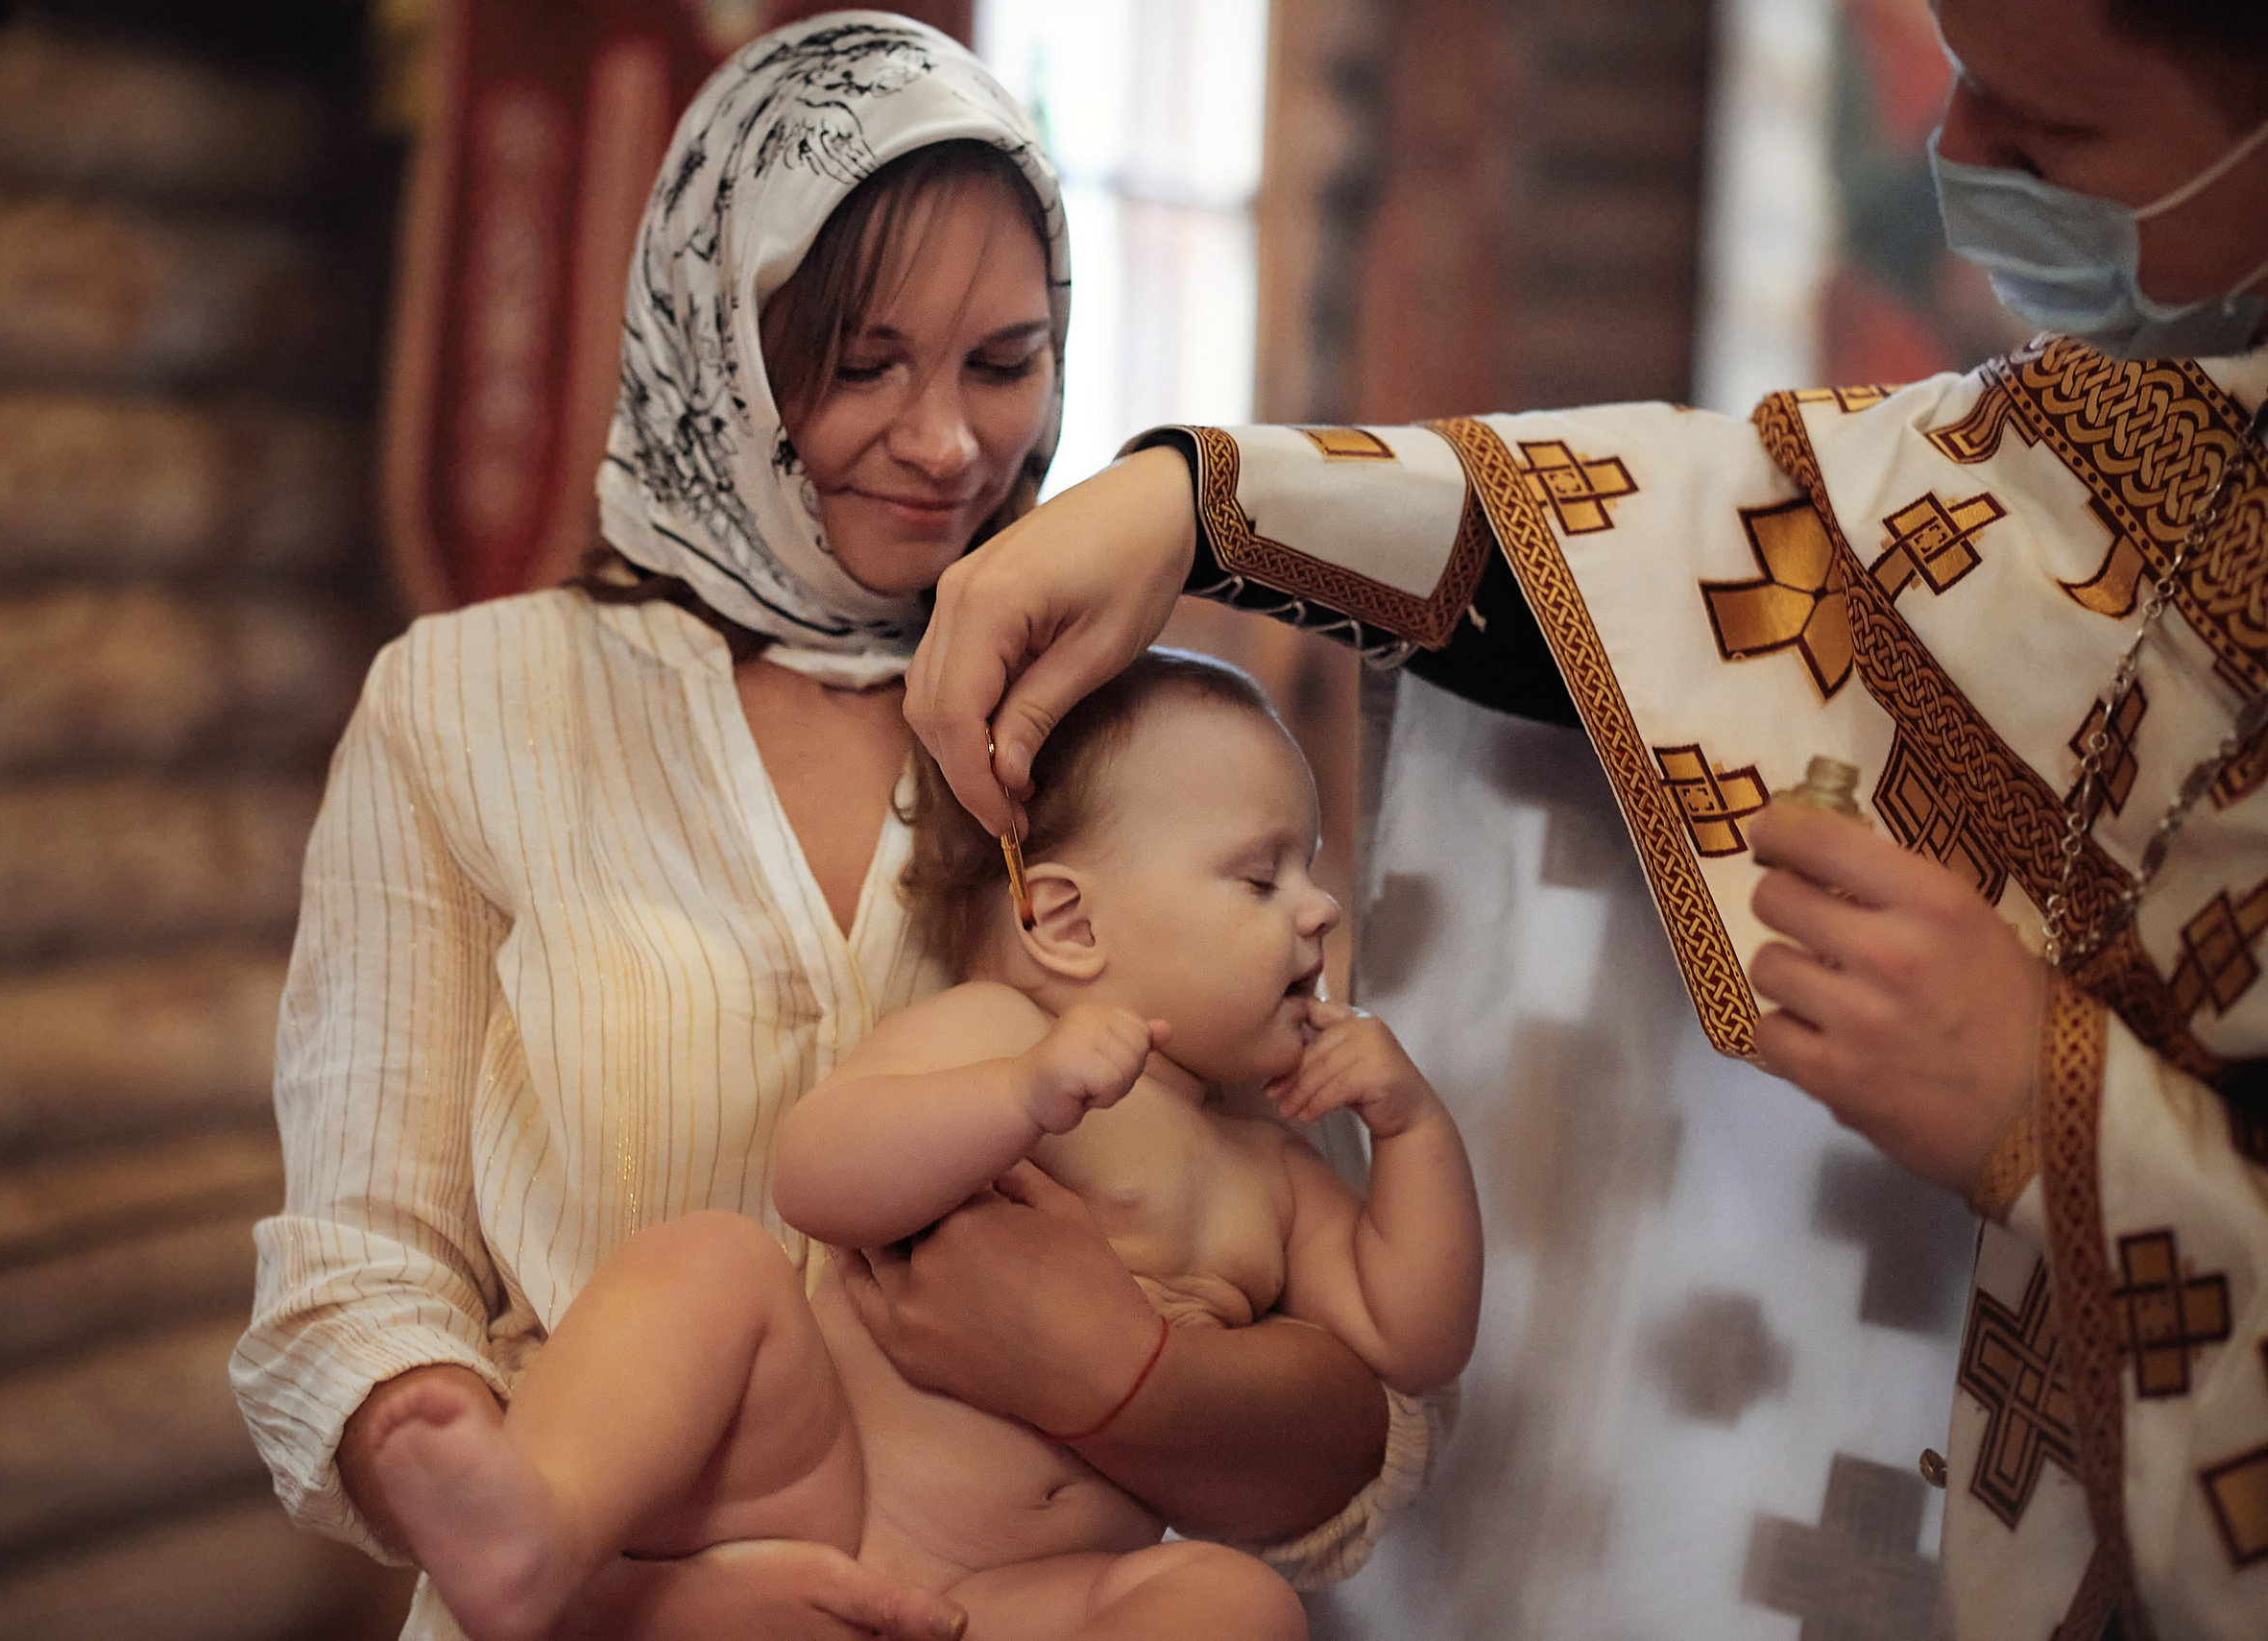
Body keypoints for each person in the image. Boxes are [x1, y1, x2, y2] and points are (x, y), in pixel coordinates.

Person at [899, 1, 2268, 1636]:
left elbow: (1401, 1328)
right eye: (1958, 72)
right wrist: (1199, 506)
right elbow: (1737, 557)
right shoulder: (2151, 429)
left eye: (2052, 134)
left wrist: (2057, 1117)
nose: (1952, 153)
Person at [230, 16, 1425, 1641]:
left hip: (1021, 1586)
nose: (948, 445)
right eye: (864, 363)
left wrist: (1118, 1371)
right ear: (721, 338)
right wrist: (582, 1545)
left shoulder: (1128, 740)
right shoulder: (470, 702)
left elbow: (1355, 1379)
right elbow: (351, 1279)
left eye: (1004, 362)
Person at [359, 650, 1483, 1641]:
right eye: (1261, 875)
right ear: (1068, 922)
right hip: (814, 1498)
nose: (1319, 908)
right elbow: (816, 1173)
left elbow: (1412, 1334)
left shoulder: (1276, 1171)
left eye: (1314, 865)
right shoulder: (1005, 1037)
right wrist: (1016, 1096)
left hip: (1027, 1593)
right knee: (708, 1263)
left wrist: (1413, 1127)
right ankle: (544, 1525)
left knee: (1237, 1605)